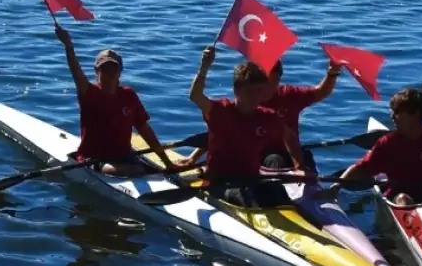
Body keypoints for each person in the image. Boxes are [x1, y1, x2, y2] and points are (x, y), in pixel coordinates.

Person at [53, 22, 176, 175]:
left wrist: (166, 162)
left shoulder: (129, 95)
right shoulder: (89, 93)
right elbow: (76, 72)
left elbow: (144, 129)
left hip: (124, 155)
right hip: (94, 159)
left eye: (113, 69)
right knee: (135, 170)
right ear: (96, 71)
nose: (109, 73)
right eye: (104, 69)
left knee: (149, 170)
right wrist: (68, 45)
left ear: (120, 71)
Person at [188, 46, 302, 206]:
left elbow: (289, 136)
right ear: (236, 90)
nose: (256, 97)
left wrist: (300, 166)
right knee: (244, 196)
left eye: (260, 91)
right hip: (220, 182)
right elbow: (195, 96)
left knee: (279, 192)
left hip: (251, 179)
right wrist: (204, 67)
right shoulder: (220, 110)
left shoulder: (267, 116)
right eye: (250, 92)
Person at [259, 56, 342, 173]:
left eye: (275, 82)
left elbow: (321, 92)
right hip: (264, 158)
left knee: (307, 157)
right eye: (268, 82)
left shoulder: (288, 95)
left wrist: (332, 73)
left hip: (292, 153)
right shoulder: (249, 102)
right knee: (275, 159)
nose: (271, 88)